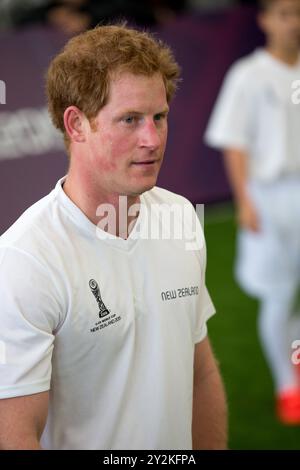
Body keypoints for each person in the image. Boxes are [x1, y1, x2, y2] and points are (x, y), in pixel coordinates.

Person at [0, 24, 227, 450]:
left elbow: (199, 374)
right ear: (76, 124)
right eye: (130, 120)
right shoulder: (24, 260)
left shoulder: (180, 216)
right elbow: (14, 435)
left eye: (159, 117)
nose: (152, 139)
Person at [205, 0, 300, 425]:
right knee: (278, 294)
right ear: (264, 19)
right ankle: (288, 386)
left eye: (298, 12)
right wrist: (245, 201)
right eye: (283, 13)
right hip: (270, 195)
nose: (292, 22)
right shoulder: (248, 75)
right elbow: (234, 142)